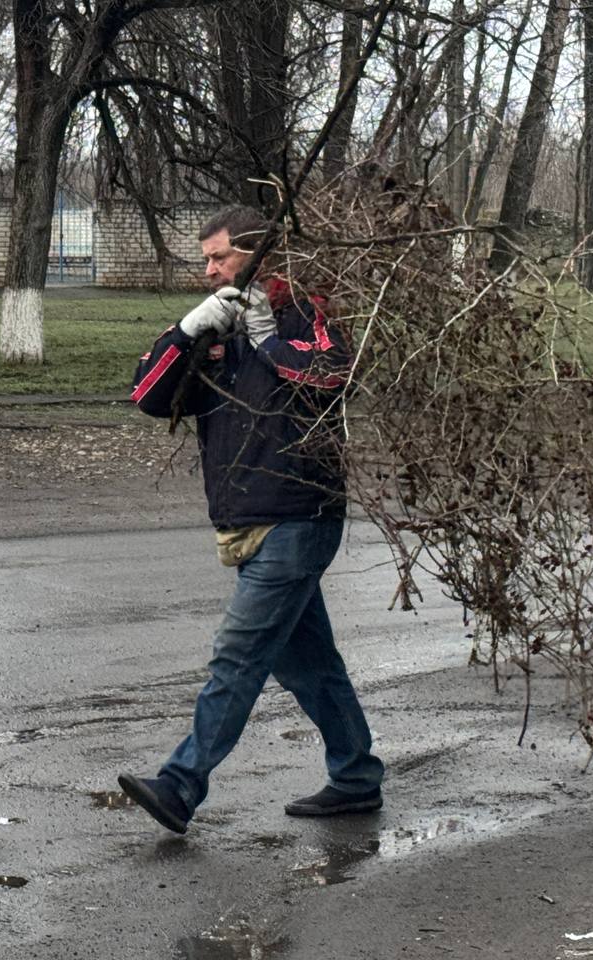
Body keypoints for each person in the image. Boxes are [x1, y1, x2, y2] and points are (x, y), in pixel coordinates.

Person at [117, 204, 385, 835]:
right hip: (249, 519)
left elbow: (331, 374)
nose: (209, 270)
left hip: (299, 514)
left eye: (220, 258)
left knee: (236, 658)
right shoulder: (217, 325)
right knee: (307, 663)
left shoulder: (306, 312)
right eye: (205, 259)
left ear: (259, 254)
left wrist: (264, 334)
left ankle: (180, 787)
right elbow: (147, 396)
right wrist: (186, 333)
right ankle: (355, 778)